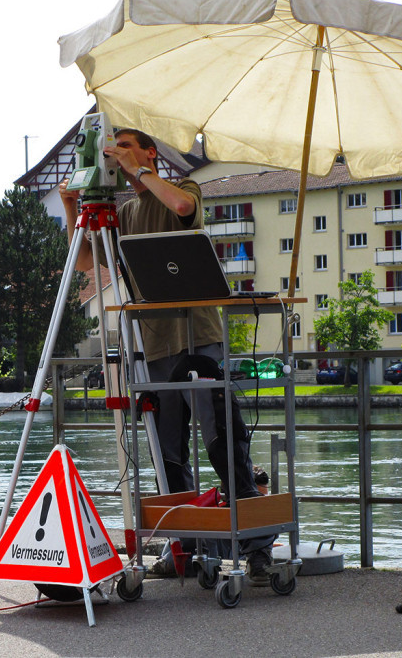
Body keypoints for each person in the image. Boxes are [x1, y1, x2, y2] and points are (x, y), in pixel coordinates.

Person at [60, 128, 271, 581]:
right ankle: (186, 546)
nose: (116, 153)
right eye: (112, 148)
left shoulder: (183, 189)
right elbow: (83, 263)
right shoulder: (125, 212)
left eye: (126, 146)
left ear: (150, 154)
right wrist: (69, 205)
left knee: (223, 440)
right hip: (154, 346)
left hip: (200, 336)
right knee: (166, 452)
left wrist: (138, 171)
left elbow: (180, 207)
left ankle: (257, 547)